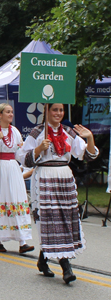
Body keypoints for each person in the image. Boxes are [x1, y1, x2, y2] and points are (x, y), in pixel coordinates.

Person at [19, 103, 99, 284]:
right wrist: (39, 149)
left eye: (61, 110)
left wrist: (90, 138)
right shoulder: (37, 132)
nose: (58, 113)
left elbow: (88, 156)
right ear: (46, 111)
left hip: (64, 176)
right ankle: (66, 267)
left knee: (64, 219)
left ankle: (42, 260)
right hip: (45, 176)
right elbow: (23, 157)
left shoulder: (69, 132)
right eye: (54, 109)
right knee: (52, 220)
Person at [0, 103, 34, 254]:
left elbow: (18, 153)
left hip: (12, 168)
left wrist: (26, 155)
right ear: (0, 115)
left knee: (15, 199)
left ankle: (22, 241)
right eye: (8, 112)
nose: (11, 114)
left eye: (12, 112)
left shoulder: (15, 131)